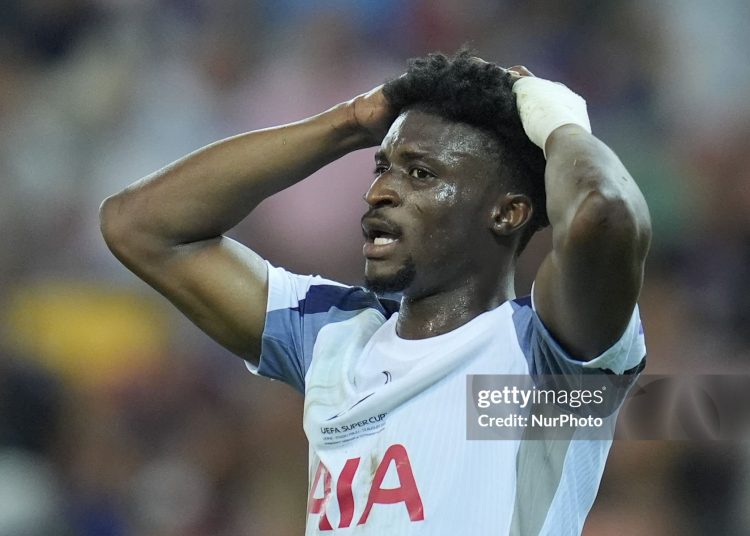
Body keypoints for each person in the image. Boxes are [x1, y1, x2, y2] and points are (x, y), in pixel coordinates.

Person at [100, 50, 651, 535]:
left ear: (507, 213)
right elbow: (140, 226)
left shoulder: (547, 362)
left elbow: (603, 218)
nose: (379, 190)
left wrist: (562, 129)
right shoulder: (333, 338)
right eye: (382, 166)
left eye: (420, 174)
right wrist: (349, 123)